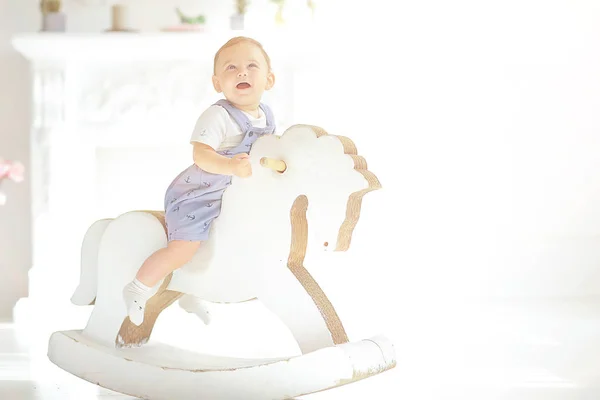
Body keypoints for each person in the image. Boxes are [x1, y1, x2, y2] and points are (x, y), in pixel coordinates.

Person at [122, 36, 276, 325]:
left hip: (231, 195)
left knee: (227, 242)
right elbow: (201, 156)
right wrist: (230, 165)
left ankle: (191, 289)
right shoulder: (218, 116)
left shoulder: (266, 116)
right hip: (198, 195)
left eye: (251, 66)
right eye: (231, 68)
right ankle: (138, 287)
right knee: (185, 247)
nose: (241, 72)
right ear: (217, 83)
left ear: (269, 79)